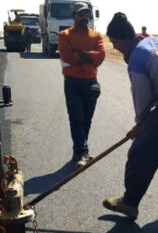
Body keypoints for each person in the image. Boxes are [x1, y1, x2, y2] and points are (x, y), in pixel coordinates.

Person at [103, 12, 158, 220]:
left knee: (140, 154)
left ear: (124, 38)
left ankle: (129, 203)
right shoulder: (157, 41)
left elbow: (141, 97)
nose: (114, 47)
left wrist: (140, 124)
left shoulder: (137, 58)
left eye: (114, 41)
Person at [58, 2, 105, 167]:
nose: (84, 17)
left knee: (87, 119)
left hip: (91, 83)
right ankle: (83, 152)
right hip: (73, 83)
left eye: (87, 14)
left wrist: (80, 53)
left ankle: (78, 151)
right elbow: (68, 58)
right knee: (76, 118)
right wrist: (89, 57)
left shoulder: (97, 36)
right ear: (73, 16)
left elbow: (100, 58)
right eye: (81, 14)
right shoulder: (64, 35)